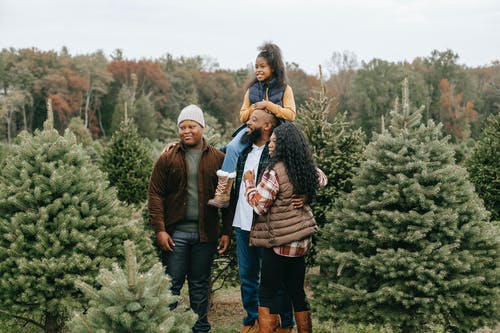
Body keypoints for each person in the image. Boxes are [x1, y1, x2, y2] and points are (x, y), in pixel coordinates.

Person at [148, 104, 232, 333]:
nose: (186, 131)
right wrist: (160, 229)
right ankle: (167, 327)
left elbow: (226, 198)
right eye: (182, 127)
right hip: (176, 235)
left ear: (202, 127)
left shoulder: (218, 158)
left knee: (198, 284)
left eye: (191, 126)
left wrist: (226, 232)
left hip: (206, 234)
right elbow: (155, 193)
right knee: (171, 283)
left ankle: (201, 328)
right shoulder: (167, 158)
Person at [243, 122, 327, 333]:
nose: (270, 145)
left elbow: (260, 205)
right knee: (296, 291)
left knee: (267, 292)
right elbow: (322, 179)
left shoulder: (275, 172)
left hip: (279, 242)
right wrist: (306, 193)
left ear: (284, 145)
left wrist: (249, 185)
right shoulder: (304, 166)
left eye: (274, 142)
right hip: (300, 243)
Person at [229, 108, 296, 333]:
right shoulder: (243, 150)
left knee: (274, 278)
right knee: (247, 276)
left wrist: (305, 193)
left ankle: (284, 322)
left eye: (254, 119)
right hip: (242, 223)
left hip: (267, 225)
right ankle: (253, 319)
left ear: (267, 126)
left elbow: (305, 171)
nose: (248, 122)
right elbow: (216, 155)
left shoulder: (278, 153)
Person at [207, 42, 296, 209]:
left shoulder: (285, 89)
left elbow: (291, 114)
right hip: (253, 130)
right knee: (232, 147)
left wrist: (269, 106)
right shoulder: (251, 90)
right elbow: (242, 116)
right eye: (256, 66)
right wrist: (255, 107)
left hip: (278, 131)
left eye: (262, 66)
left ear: (274, 68)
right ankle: (223, 193)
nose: (258, 70)